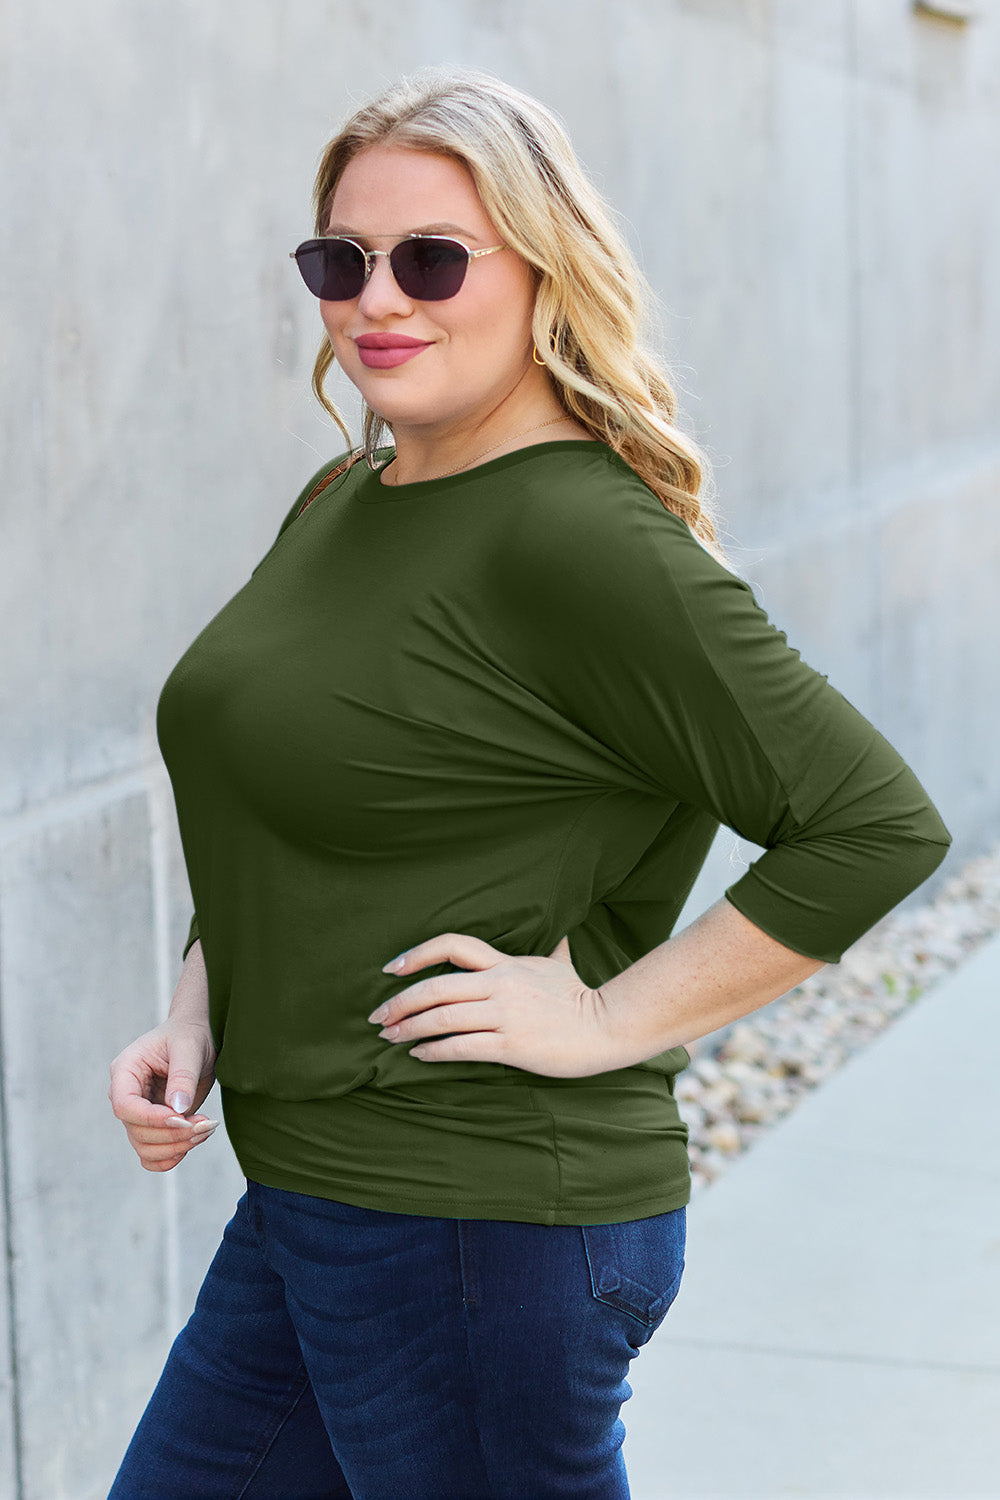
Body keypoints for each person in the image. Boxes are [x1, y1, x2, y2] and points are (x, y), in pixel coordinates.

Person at [106, 65, 952, 1500]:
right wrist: (202, 1002)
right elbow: (296, 790)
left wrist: (610, 1016)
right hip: (319, 1190)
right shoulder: (346, 499)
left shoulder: (580, 538)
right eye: (341, 261)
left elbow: (874, 824)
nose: (380, 300)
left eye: (432, 258)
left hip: (478, 1223)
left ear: (546, 271)